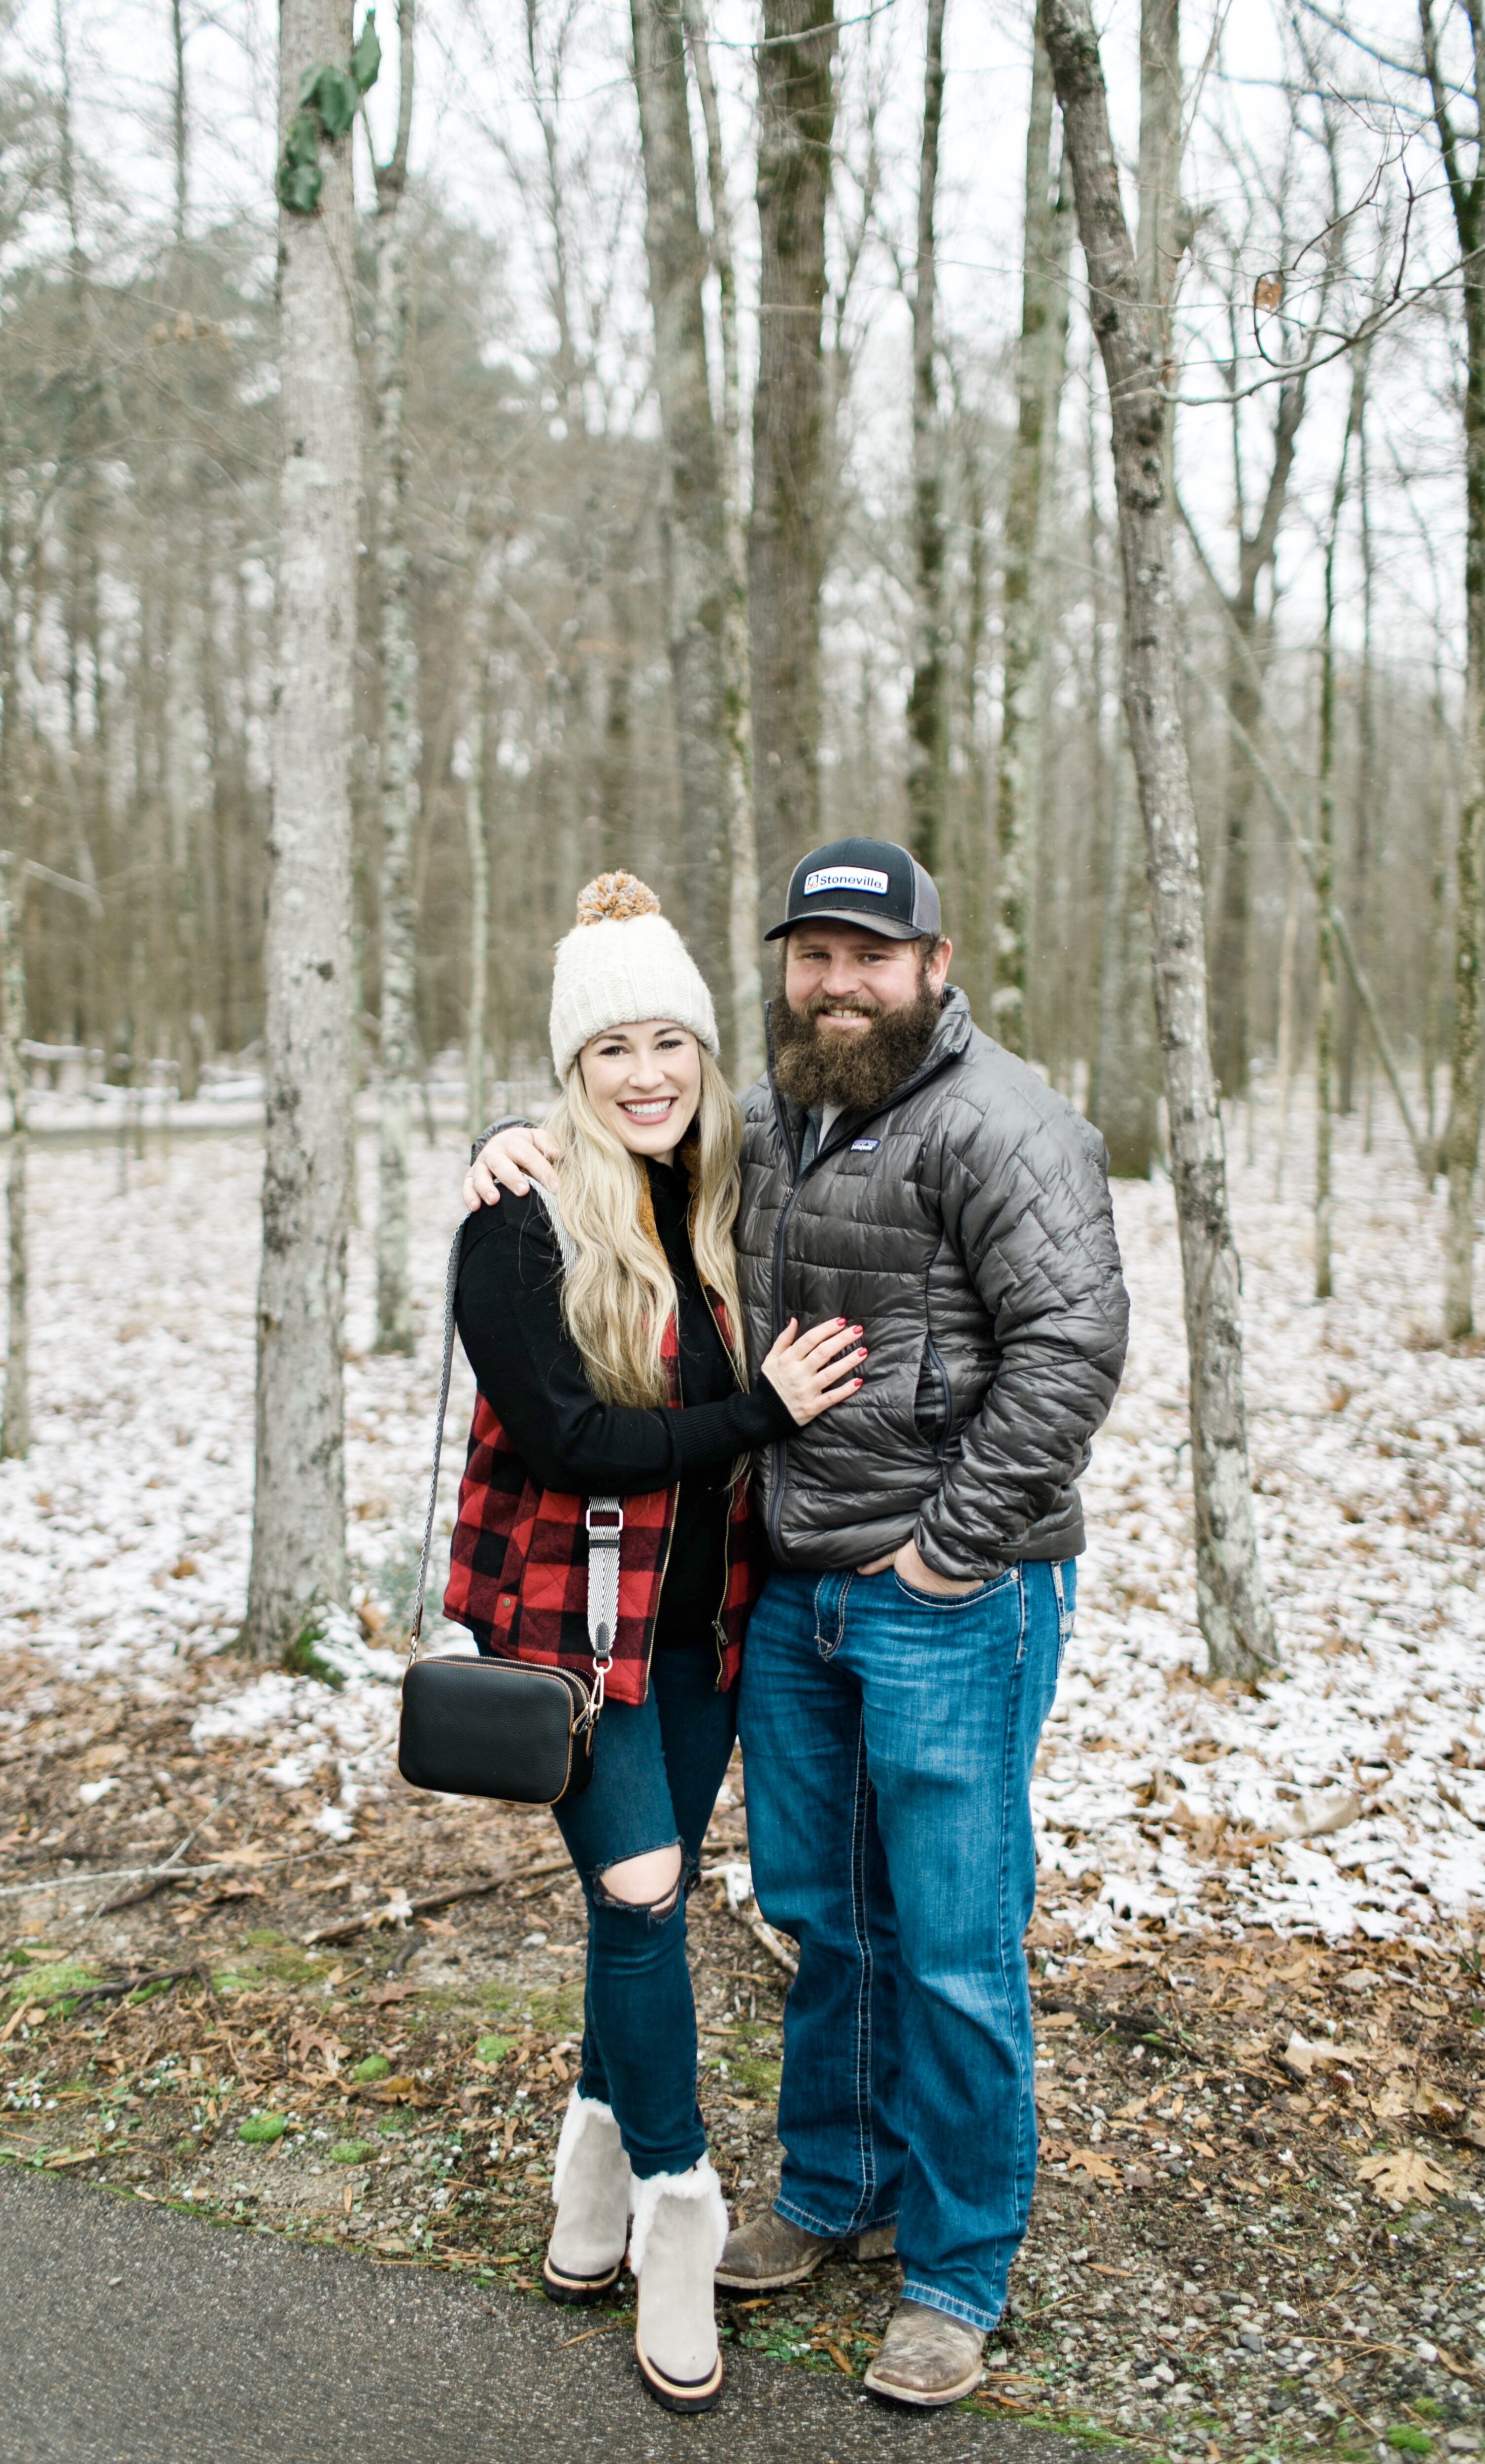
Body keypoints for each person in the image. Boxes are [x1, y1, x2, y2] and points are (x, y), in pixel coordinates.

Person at [465, 836, 1130, 2409]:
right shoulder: (772, 1115)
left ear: (935, 965)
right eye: (812, 954)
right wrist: (510, 1137)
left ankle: (958, 2273)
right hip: (792, 1596)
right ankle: (835, 2192)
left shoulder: (1007, 1127)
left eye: (871, 955)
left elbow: (1071, 1352)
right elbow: (625, 1116)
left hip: (953, 1596)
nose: (838, 983)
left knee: (954, 1944)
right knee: (828, 1919)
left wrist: (948, 1557)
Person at [445, 870, 861, 2414]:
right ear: (570, 1070)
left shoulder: (719, 1201)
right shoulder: (521, 1218)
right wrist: (764, 1411)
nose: (646, 1074)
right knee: (639, 1894)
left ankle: (586, 2192)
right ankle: (676, 2221)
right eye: (610, 1048)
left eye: (669, 1042)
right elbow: (565, 1438)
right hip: (574, 1638)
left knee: (653, 1911)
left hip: (705, 1641)